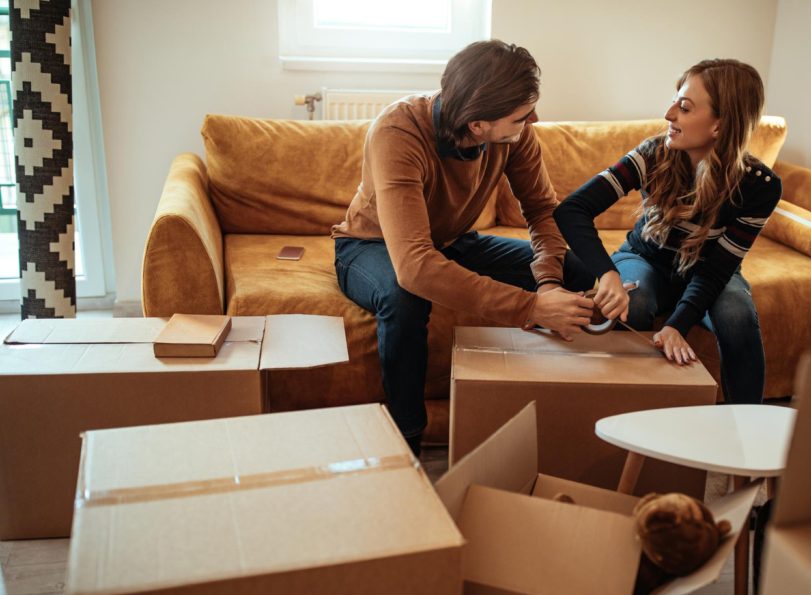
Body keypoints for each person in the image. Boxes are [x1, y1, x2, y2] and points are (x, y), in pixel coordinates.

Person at [333, 40, 594, 453]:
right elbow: (416, 267)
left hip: (452, 243)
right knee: (405, 300)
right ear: (477, 125)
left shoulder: (514, 135)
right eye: (522, 115)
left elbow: (543, 210)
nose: (534, 119)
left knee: (579, 269)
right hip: (371, 246)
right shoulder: (398, 132)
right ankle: (406, 443)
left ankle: (586, 414)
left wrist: (547, 282)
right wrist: (530, 308)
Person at [553, 59, 781, 404]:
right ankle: (625, 416)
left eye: (685, 107)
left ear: (720, 125)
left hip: (709, 272)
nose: (669, 114)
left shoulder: (760, 185)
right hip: (645, 259)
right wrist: (607, 273)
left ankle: (747, 433)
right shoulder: (653, 153)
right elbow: (571, 209)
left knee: (737, 315)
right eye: (676, 100)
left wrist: (677, 324)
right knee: (636, 300)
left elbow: (716, 269)